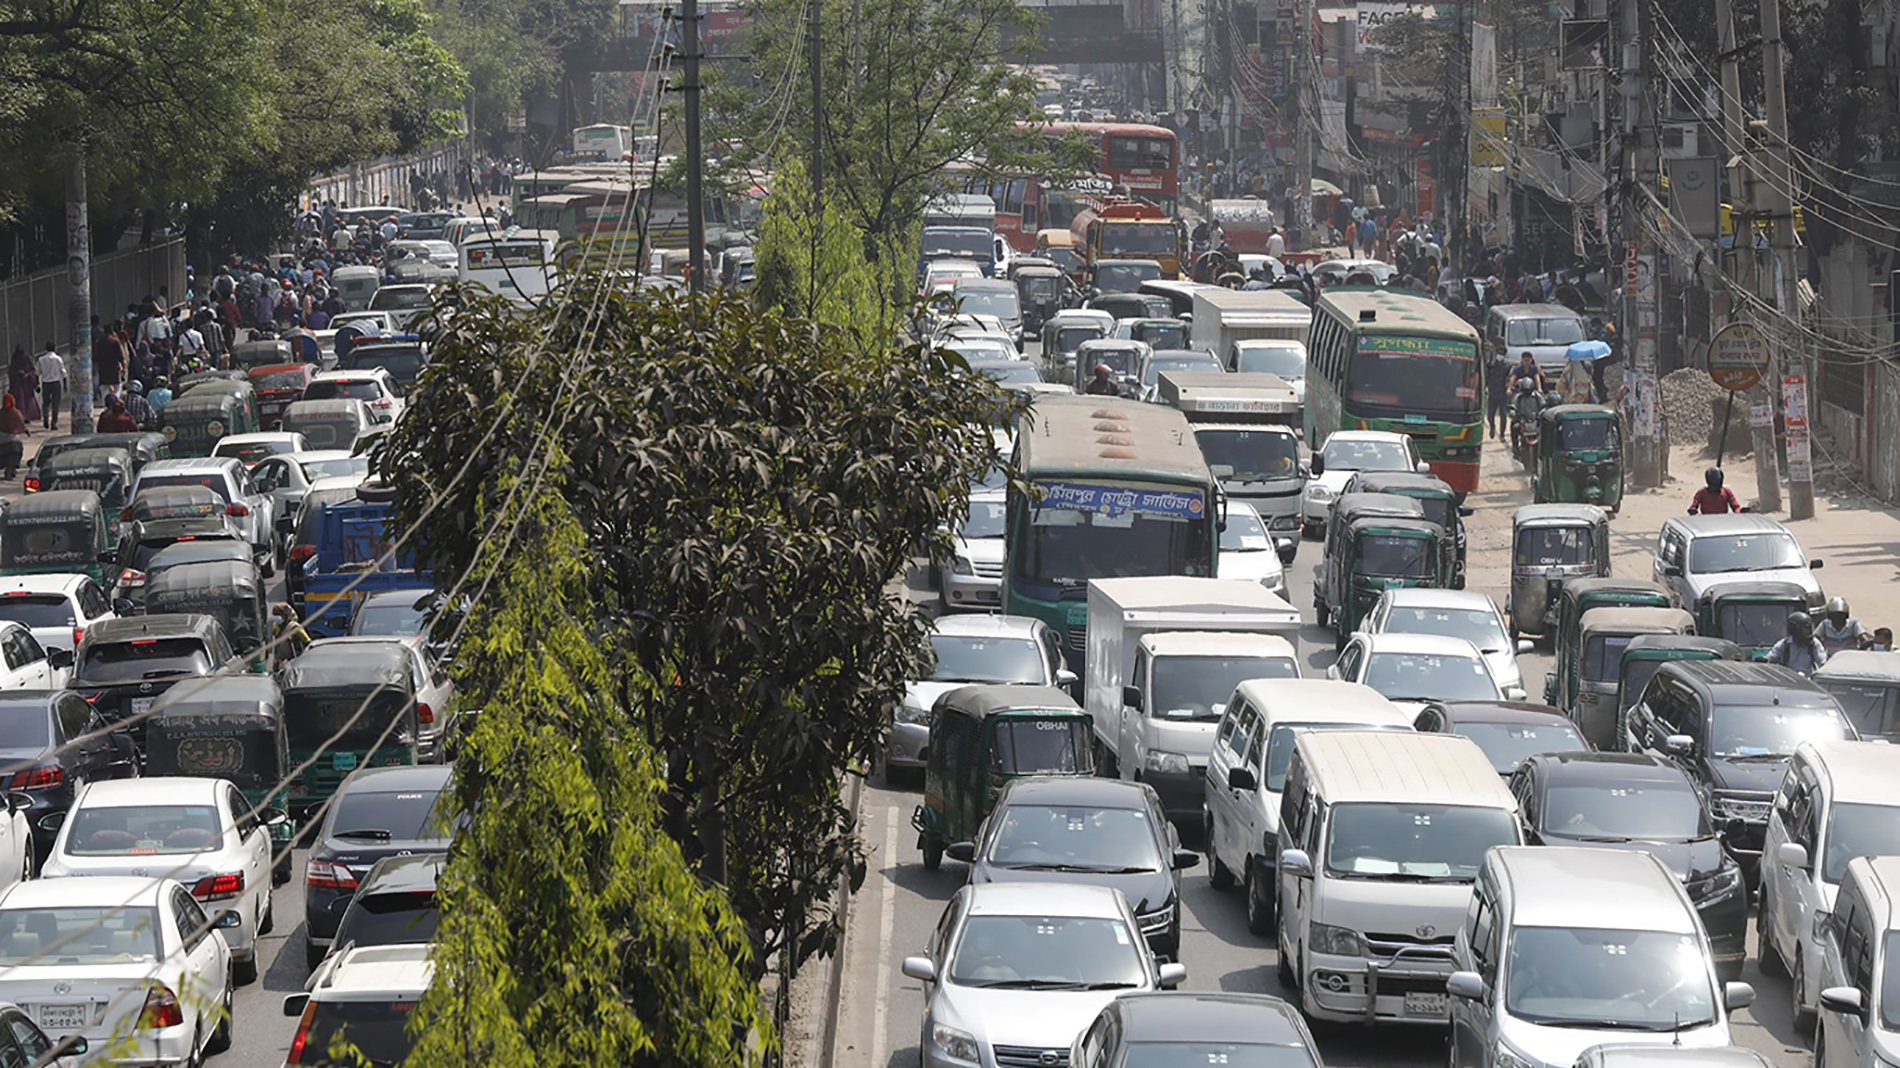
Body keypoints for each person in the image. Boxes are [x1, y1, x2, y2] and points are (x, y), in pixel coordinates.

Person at [35, 342, 64, 431]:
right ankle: (54, 423)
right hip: (56, 383)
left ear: (46, 348)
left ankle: (45, 418)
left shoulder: (41, 359)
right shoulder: (58, 359)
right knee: (56, 403)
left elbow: (37, 373)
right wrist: (65, 385)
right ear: (54, 348)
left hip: (46, 383)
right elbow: (63, 372)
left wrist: (37, 384)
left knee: (45, 403)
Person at [0, 394, 27, 479]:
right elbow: (21, 425)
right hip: (12, 439)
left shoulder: (1, 413)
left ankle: (11, 469)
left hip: (1, 438)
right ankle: (11, 468)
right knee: (17, 445)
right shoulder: (16, 413)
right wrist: (25, 430)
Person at [1486, 354, 1512, 437]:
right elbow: (1486, 377)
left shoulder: (1507, 366)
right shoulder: (1490, 365)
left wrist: (1508, 387)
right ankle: (1492, 426)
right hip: (1492, 392)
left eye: (1502, 353)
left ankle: (1502, 433)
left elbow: (1510, 378)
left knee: (1503, 415)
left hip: (1502, 394)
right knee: (1490, 415)